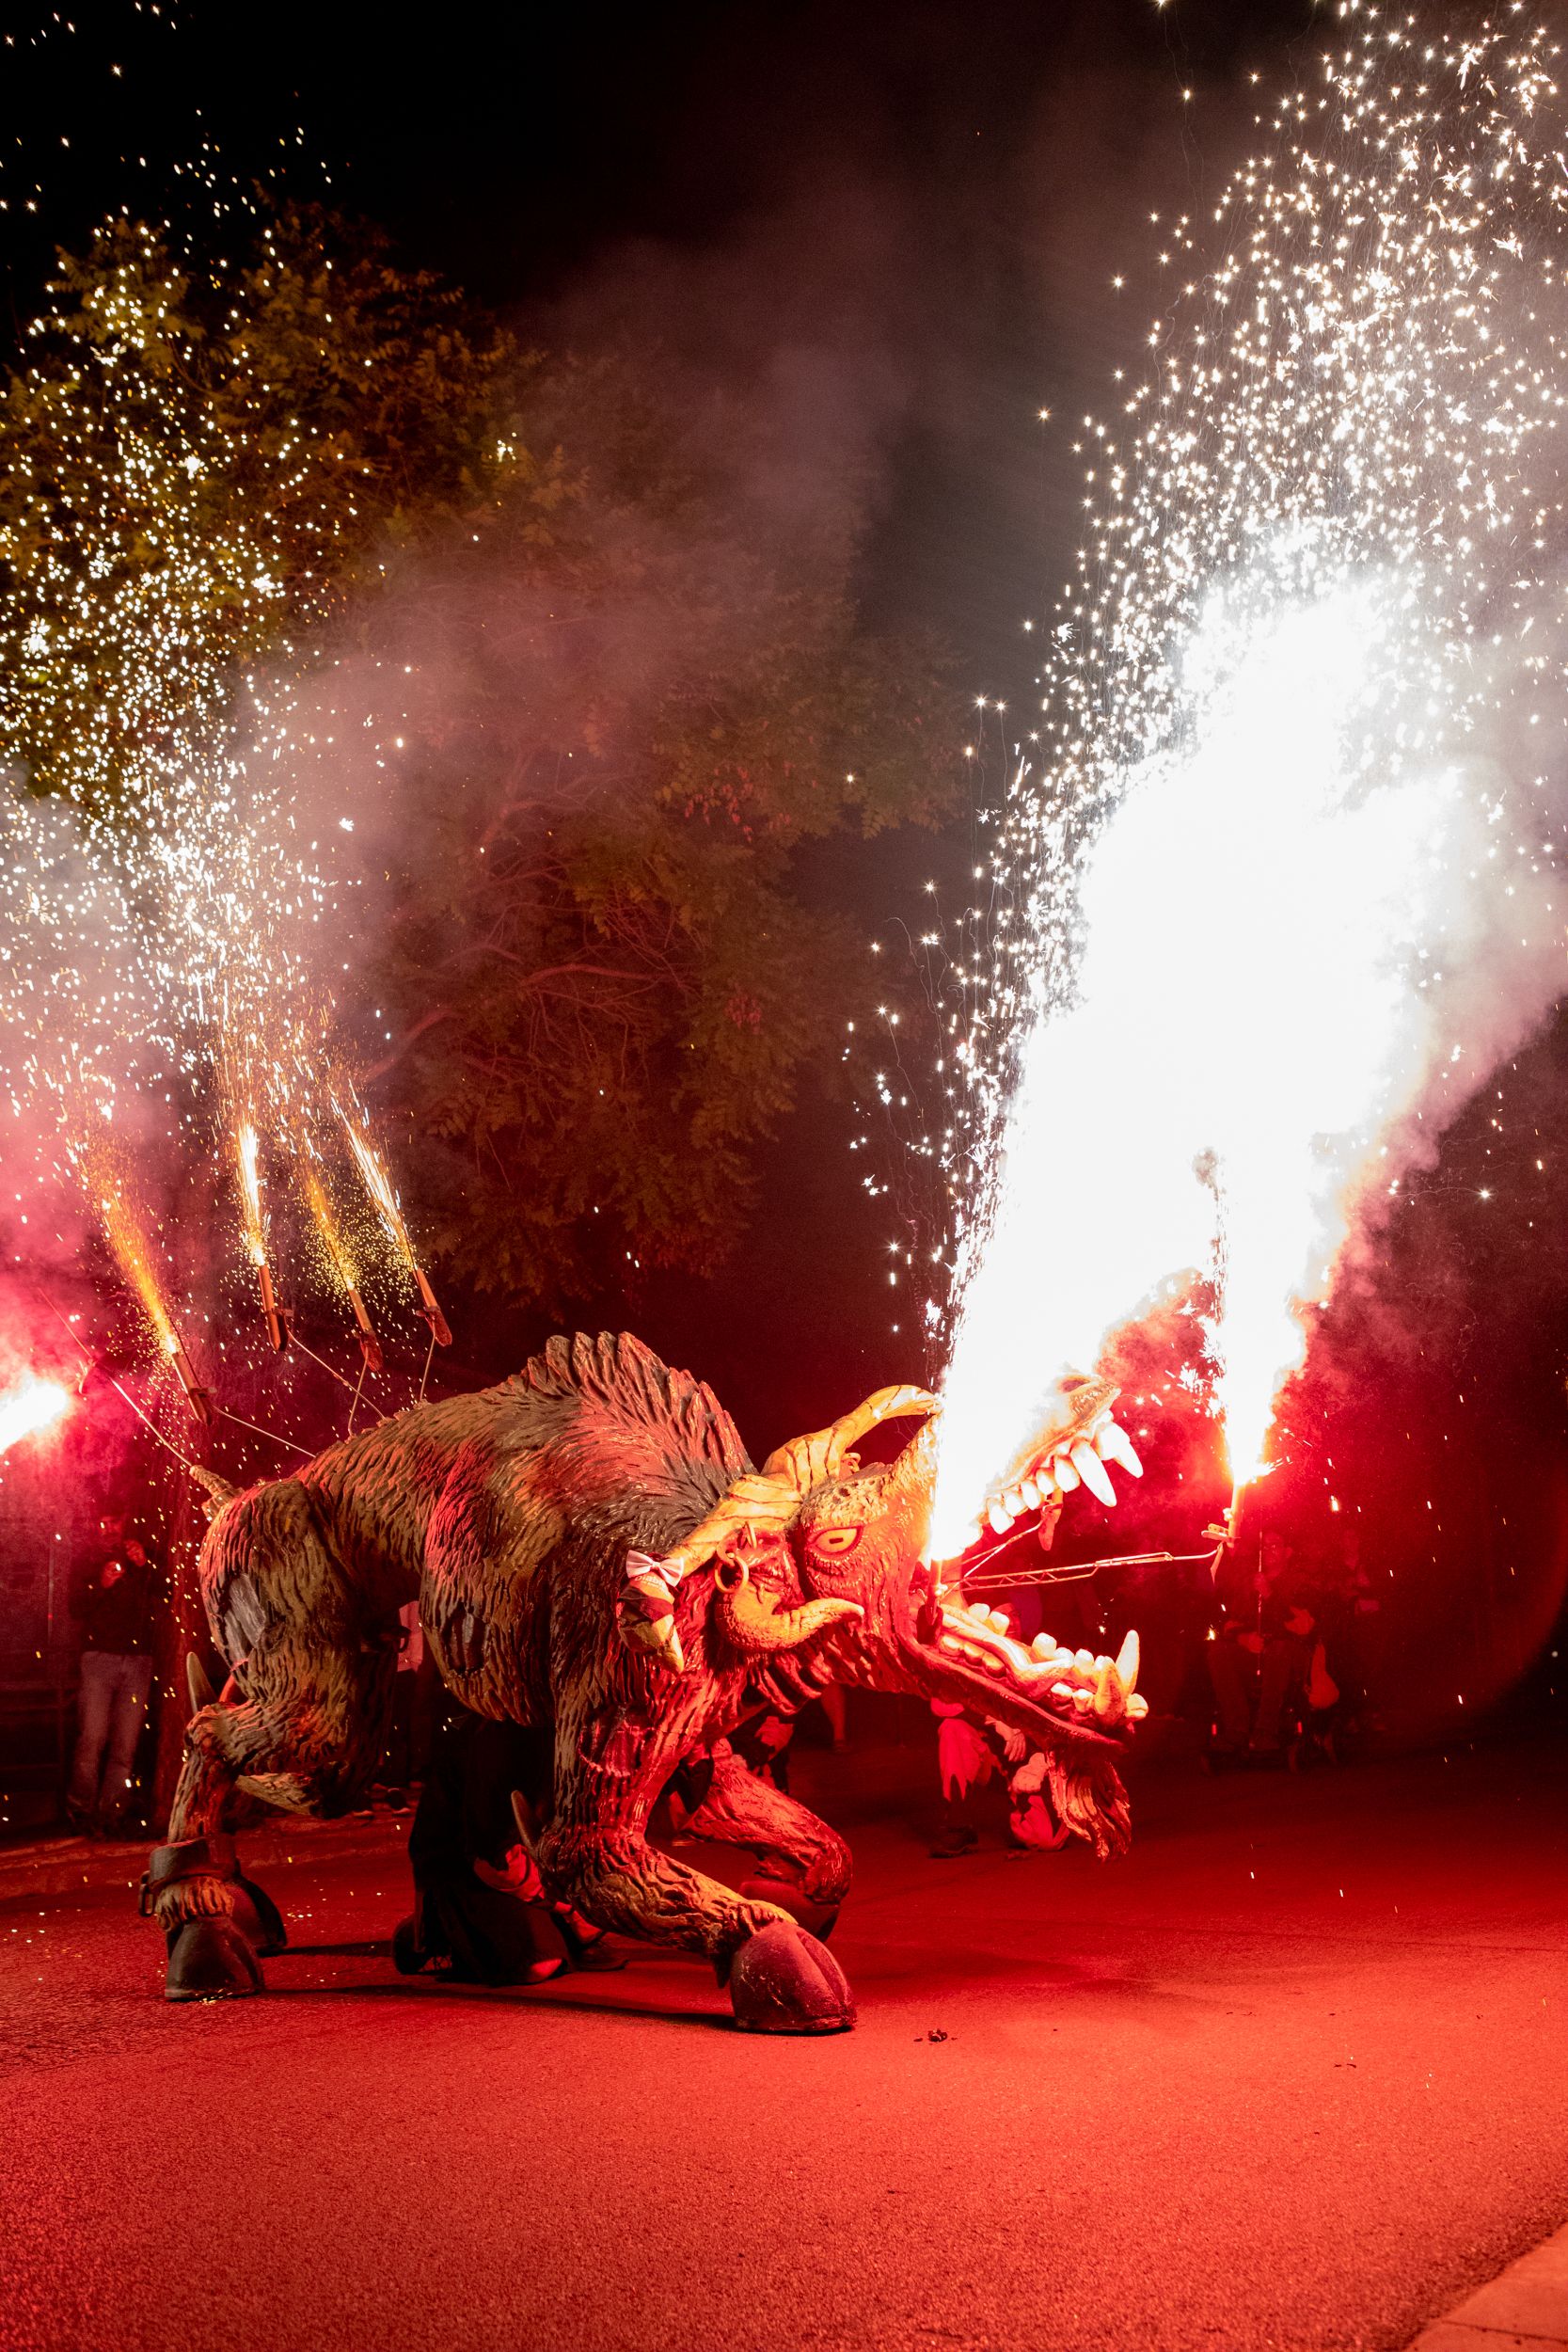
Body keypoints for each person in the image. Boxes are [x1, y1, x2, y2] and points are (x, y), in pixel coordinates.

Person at [67, 1512, 160, 1836]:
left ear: (126, 1523)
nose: (109, 1529)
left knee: (125, 1743)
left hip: (138, 1661)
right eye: (103, 1523)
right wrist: (101, 1584)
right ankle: (80, 1809)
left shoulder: (142, 1555)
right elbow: (75, 1607)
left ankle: (112, 1812)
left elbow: (166, 1592)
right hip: (98, 1659)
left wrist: (143, 1565)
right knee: (92, 1737)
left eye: (115, 1522)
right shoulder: (86, 1559)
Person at [1207, 1532, 1318, 1757]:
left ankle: (1266, 1731)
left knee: (1279, 1650)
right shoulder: (1251, 1583)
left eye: (1275, 1545)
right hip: (1257, 1653)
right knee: (1218, 1652)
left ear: (1288, 1552)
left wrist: (1269, 1594)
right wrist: (1244, 1639)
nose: (1268, 1551)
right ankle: (1237, 1729)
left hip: (1291, 1653)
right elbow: (1232, 1624)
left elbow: (1301, 1627)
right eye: (1265, 1546)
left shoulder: (1300, 1582)